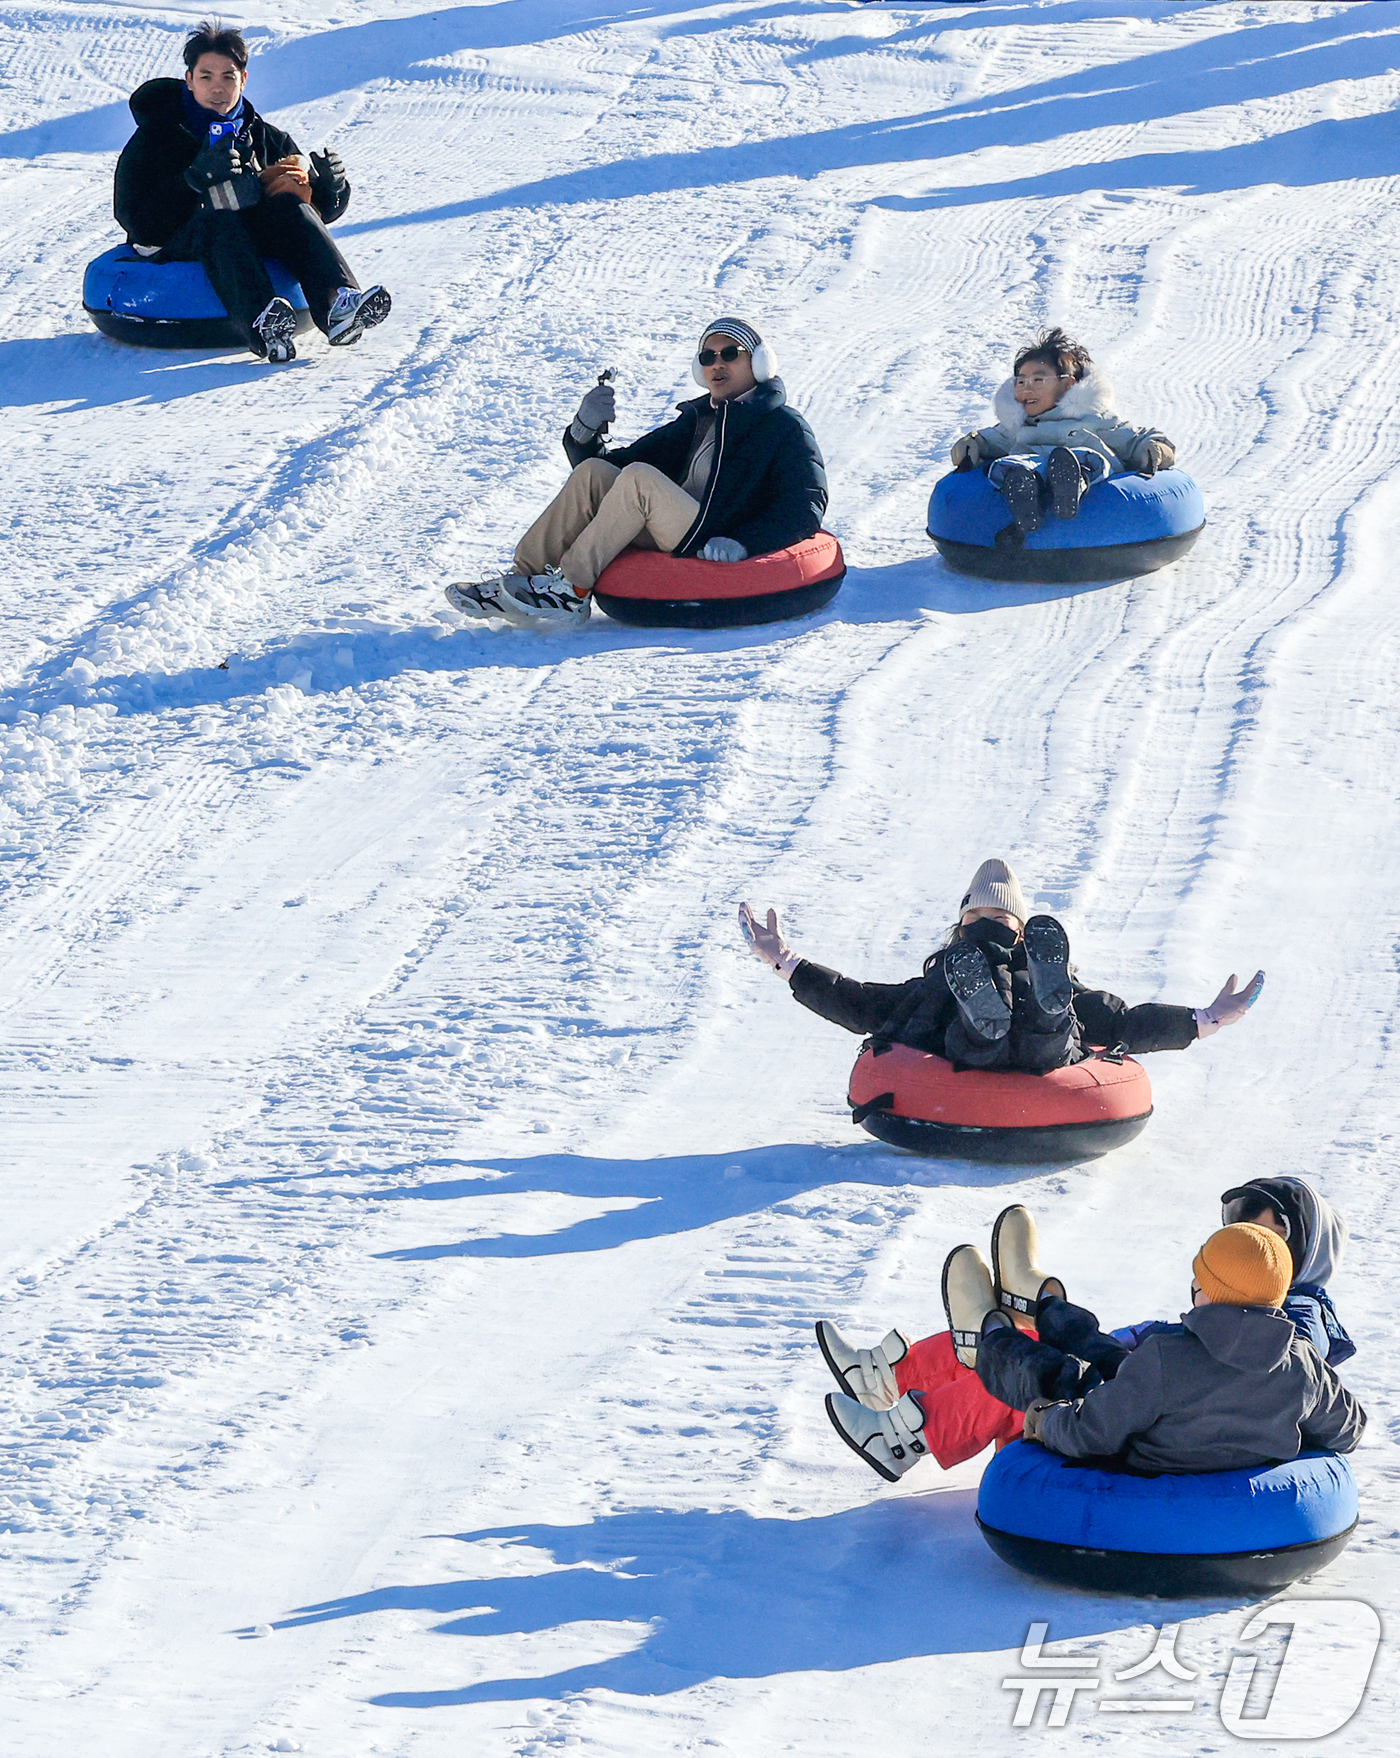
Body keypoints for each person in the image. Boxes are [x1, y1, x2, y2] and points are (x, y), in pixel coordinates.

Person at [821, 1195, 1363, 1483]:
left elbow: (1090, 1433)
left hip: (1138, 1450)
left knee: (1044, 1375)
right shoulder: (1300, 1361)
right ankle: (1032, 1307)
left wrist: (1043, 1419)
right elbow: (1348, 1426)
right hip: (1164, 1399)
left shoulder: (1168, 1359)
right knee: (1098, 1350)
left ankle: (990, 1337)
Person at [443, 317, 828, 630]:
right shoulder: (697, 419)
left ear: (759, 363)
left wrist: (743, 542)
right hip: (674, 525)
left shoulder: (783, 426)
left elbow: (806, 505)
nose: (717, 364)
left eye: (730, 353)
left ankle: (572, 589)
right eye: (707, 356)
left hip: (711, 533)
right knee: (594, 472)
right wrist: (583, 433)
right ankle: (519, 581)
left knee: (640, 479)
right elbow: (618, 466)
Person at [740, 857, 1263, 1074]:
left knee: (1034, 1015)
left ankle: (1015, 1015)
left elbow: (1122, 1021)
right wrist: (1204, 1020)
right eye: (978, 917)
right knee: (1044, 1024)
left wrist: (786, 963)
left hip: (978, 1054)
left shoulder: (944, 976)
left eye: (999, 918)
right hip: (1028, 1056)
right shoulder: (945, 976)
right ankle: (1014, 1014)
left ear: (1019, 927)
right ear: (962, 923)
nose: (988, 924)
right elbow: (860, 1002)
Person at [113, 21, 390, 363]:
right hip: (180, 243)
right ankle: (264, 323)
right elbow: (134, 218)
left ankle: (338, 304)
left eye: (228, 77)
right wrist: (192, 180)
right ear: (189, 80)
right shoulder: (156, 137)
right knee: (220, 221)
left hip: (247, 243)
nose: (217, 88)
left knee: (289, 206)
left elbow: (314, 213)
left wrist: (331, 189)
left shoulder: (264, 136)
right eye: (206, 77)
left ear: (243, 80)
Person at [949, 327, 1176, 538]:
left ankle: (1074, 481)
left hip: (1090, 480)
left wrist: (1155, 449)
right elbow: (988, 441)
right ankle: (1023, 490)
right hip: (1031, 472)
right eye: (1021, 381)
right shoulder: (1017, 426)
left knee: (1084, 457)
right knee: (1012, 465)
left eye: (1038, 380)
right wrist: (971, 445)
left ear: (1067, 385)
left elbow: (1136, 439)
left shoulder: (1095, 418)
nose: (1027, 388)